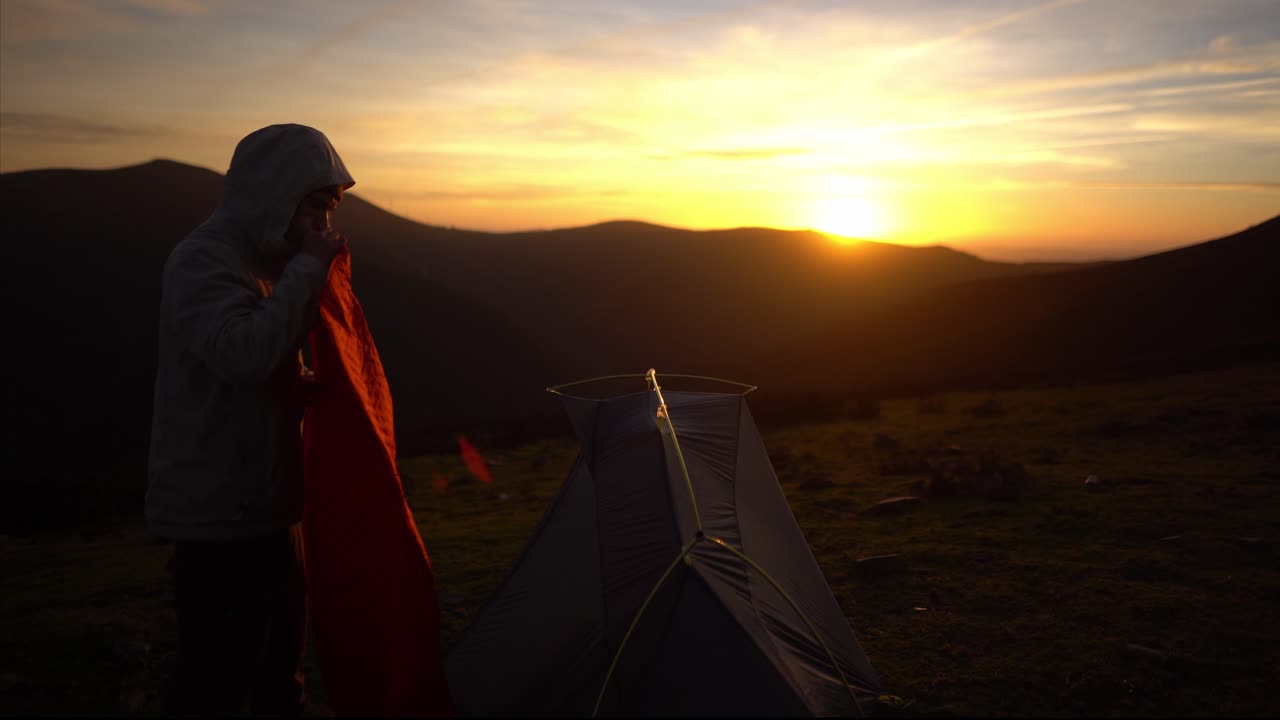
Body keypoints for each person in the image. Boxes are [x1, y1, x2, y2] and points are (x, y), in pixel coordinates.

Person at [145, 124, 354, 716]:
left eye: (330, 209)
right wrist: (310, 271)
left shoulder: (266, 261)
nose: (323, 225)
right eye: (316, 206)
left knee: (278, 676)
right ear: (275, 193)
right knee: (218, 680)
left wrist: (299, 385)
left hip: (266, 507)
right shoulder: (203, 262)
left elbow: (253, 366)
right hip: (217, 517)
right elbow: (241, 355)